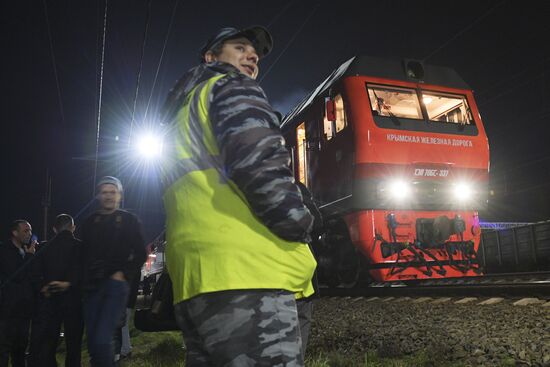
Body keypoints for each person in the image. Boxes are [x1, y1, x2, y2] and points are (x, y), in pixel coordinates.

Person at [161, 26, 317, 366]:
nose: (252, 56)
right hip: (252, 275)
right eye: (240, 47)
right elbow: (260, 168)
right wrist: (303, 222)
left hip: (196, 283)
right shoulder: (230, 86)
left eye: (255, 52)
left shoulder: (180, 114)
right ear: (211, 57)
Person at [80, 176, 147, 367]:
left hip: (115, 286)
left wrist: (124, 274)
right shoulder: (90, 222)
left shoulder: (129, 220)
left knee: (103, 338)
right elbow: (84, 255)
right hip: (92, 287)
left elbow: (141, 253)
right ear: (98, 195)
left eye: (112, 192)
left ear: (119, 195)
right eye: (104, 192)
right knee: (93, 342)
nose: (108, 196)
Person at [28, 214, 83, 367]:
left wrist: (43, 287)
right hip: (74, 301)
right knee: (74, 343)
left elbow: (34, 273)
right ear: (73, 228)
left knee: (49, 343)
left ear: (54, 229)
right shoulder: (81, 247)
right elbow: (83, 273)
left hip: (49, 300)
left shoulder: (43, 247)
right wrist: (69, 283)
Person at [0, 220, 36, 367]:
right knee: (3, 348)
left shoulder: (27, 250)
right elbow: (16, 274)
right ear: (15, 233)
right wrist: (29, 257)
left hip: (24, 310)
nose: (29, 234)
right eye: (26, 231)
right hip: (7, 310)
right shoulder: (4, 251)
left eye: (30, 230)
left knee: (20, 350)